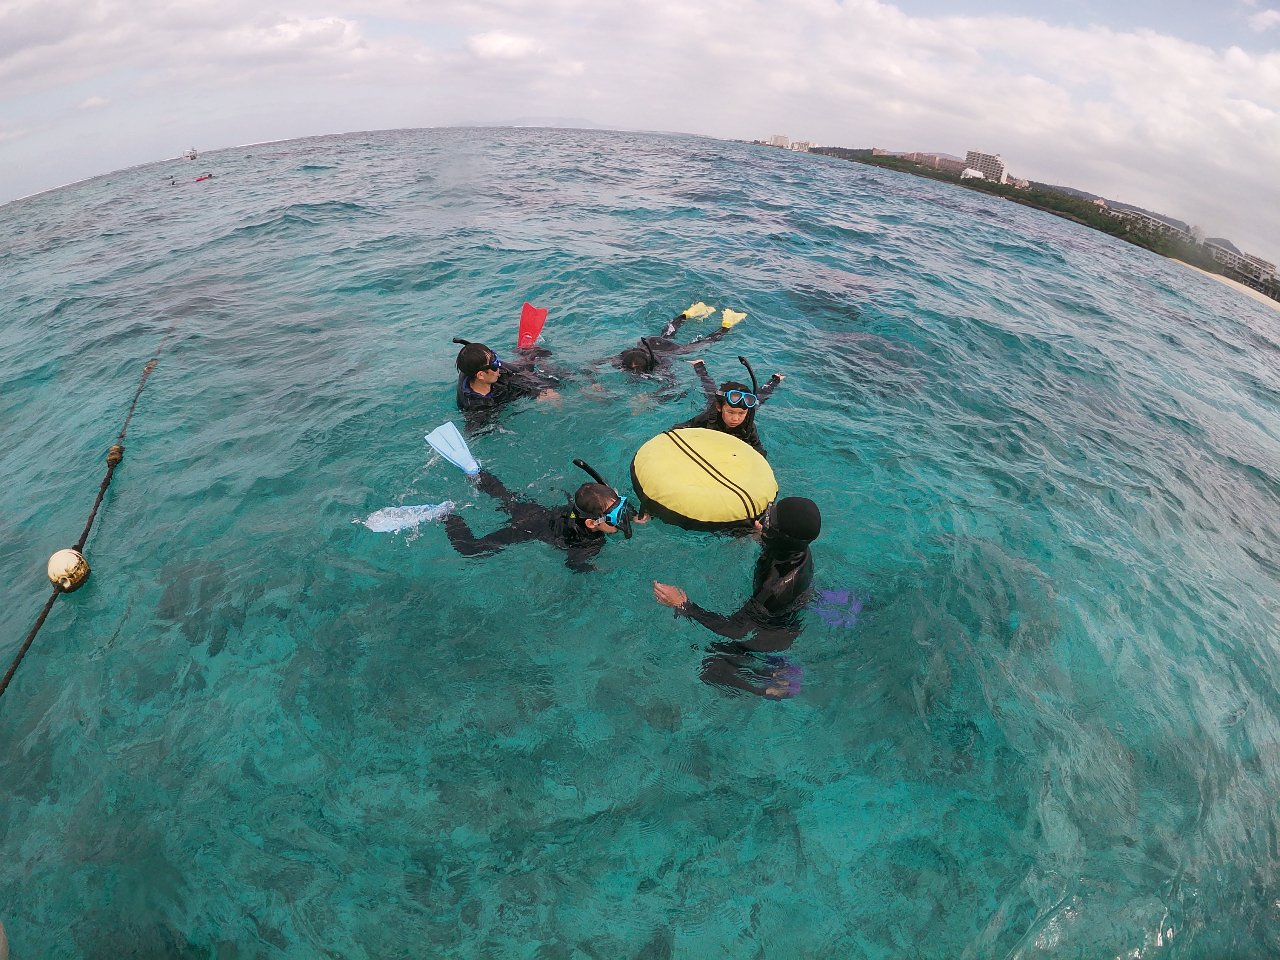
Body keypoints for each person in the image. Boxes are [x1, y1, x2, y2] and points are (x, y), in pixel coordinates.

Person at [653, 497, 821, 698]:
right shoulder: (794, 549)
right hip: (794, 603)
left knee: (712, 668)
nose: (760, 523)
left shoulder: (774, 590)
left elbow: (734, 629)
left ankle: (769, 685)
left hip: (770, 634)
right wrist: (760, 535)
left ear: (781, 537)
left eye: (767, 524)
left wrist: (684, 605)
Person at [443, 461, 648, 572]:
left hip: (535, 512)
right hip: (528, 530)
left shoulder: (584, 508)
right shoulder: (589, 544)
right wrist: (594, 568)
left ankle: (474, 471)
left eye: (623, 507)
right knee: (471, 550)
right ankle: (445, 515)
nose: (621, 519)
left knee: (505, 496)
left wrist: (632, 516)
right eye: (616, 516)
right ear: (592, 523)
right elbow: (572, 564)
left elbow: (607, 505)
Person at [674, 356, 784, 458]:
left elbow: (758, 449)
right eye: (731, 412)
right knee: (710, 389)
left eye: (741, 413)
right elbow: (686, 425)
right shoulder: (710, 415)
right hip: (715, 405)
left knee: (759, 398)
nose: (735, 419)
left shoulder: (748, 425)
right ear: (719, 407)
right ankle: (699, 365)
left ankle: (775, 380)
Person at [454, 339, 560, 417]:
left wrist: (541, 390)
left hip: (506, 381)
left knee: (539, 353)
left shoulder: (482, 370)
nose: (499, 366)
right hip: (503, 398)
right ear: (480, 375)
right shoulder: (477, 409)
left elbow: (522, 377)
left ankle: (524, 350)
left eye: (495, 357)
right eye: (495, 364)